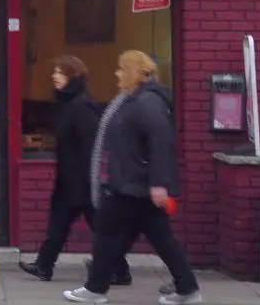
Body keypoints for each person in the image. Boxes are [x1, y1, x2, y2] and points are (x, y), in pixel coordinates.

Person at [64, 50, 200, 305]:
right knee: (158, 238)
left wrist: (159, 183)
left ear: (133, 72)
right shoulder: (134, 100)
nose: (116, 73)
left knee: (107, 232)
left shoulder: (147, 103)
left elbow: (161, 144)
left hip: (134, 184)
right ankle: (187, 287)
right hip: (133, 183)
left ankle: (95, 288)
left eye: (120, 69)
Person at [20, 57, 131, 286]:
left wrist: (90, 182)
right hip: (70, 181)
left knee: (100, 228)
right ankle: (44, 266)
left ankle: (120, 271)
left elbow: (91, 146)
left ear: (73, 77)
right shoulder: (70, 104)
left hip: (82, 182)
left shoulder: (81, 106)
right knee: (59, 225)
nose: (54, 76)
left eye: (59, 73)